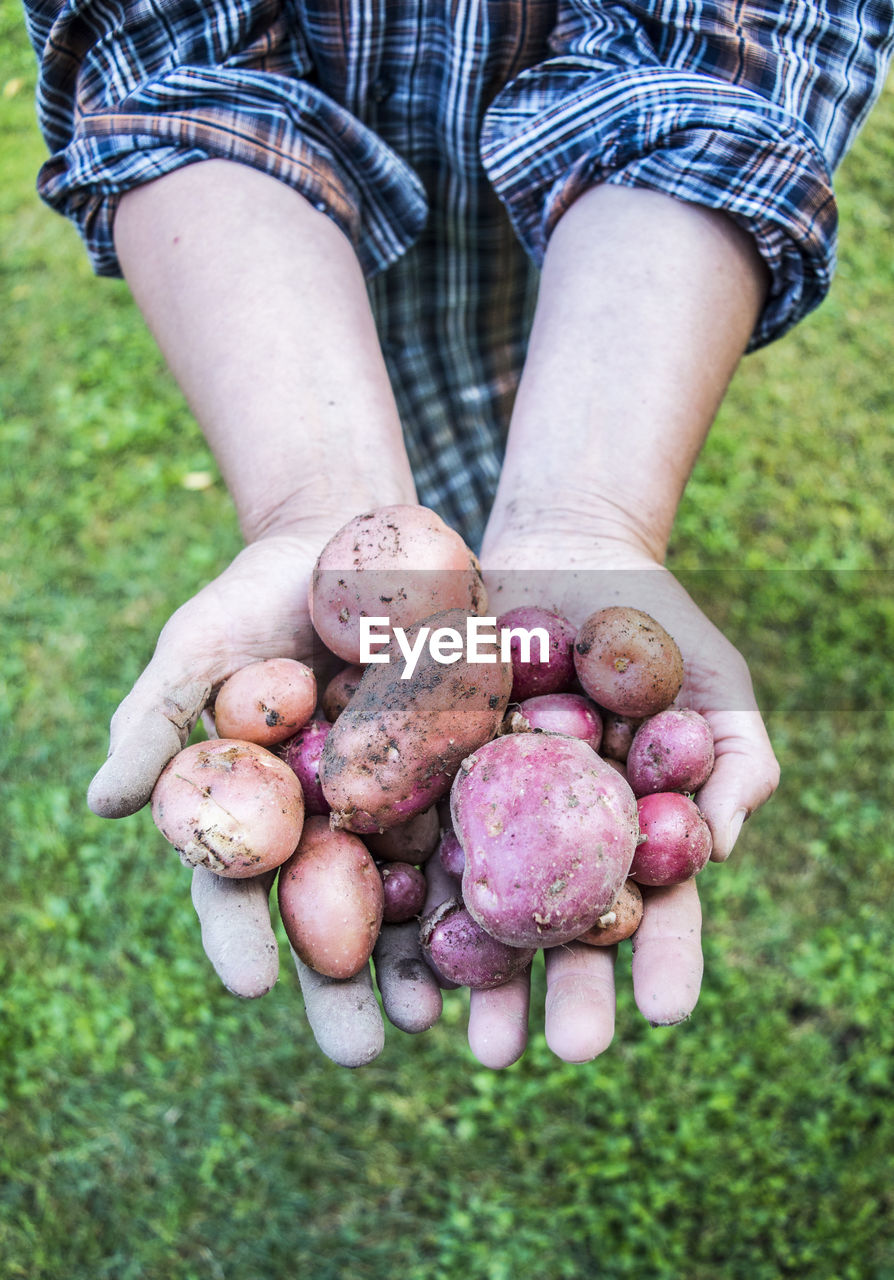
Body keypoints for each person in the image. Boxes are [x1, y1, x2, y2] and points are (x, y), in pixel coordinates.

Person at [24, 1, 893, 1067]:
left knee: (492, 534)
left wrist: (589, 510)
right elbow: (169, 53)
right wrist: (313, 496)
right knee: (437, 552)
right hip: (273, 280)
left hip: (620, 279)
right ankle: (425, 512)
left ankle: (515, 507)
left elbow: (738, 61)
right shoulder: (388, 711)